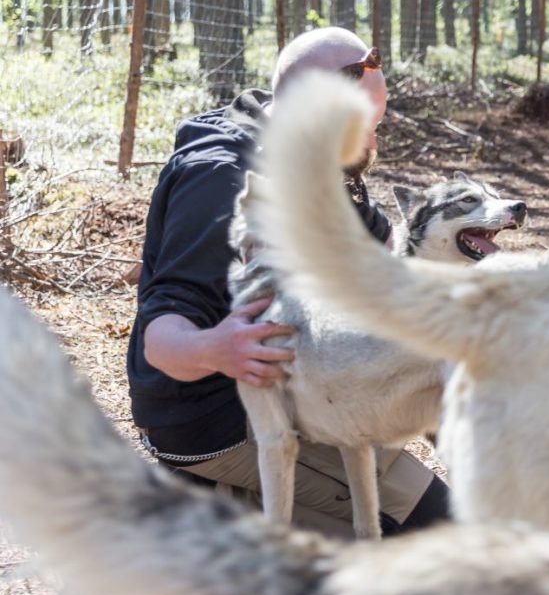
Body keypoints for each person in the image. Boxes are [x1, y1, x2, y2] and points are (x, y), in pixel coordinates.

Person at [127, 27, 450, 536]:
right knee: (443, 530)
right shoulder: (221, 182)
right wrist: (217, 347)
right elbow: (161, 338)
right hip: (220, 414)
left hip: (315, 377)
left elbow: (379, 246)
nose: (371, 141)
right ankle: (216, 502)